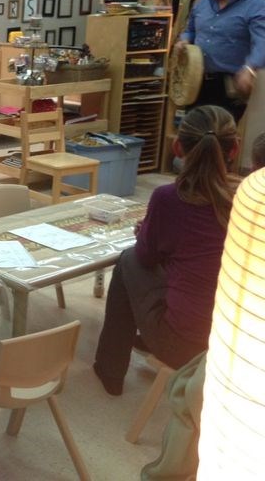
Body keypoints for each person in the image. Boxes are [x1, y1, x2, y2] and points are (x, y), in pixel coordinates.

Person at [93, 105, 238, 396]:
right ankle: (143, 340)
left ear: (176, 147)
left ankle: (110, 369)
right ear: (234, 150)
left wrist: (148, 232)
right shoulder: (247, 199)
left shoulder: (168, 198)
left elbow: (146, 257)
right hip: (233, 344)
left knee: (128, 260)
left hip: (187, 346)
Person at [175, 0, 265, 122]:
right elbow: (191, 30)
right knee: (192, 136)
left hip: (228, 87)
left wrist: (250, 68)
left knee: (217, 140)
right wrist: (184, 40)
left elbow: (263, 42)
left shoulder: (256, 5)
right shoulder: (203, 2)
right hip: (195, 81)